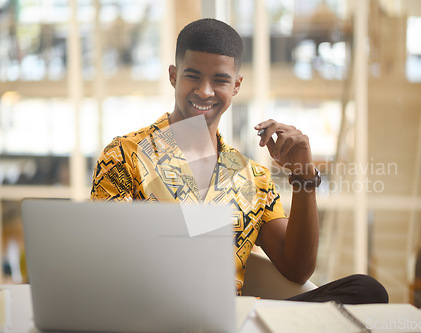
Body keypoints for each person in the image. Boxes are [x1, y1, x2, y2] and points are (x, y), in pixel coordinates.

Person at [90, 18, 388, 304]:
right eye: (192, 75)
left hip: (230, 318)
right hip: (151, 311)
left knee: (366, 290)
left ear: (236, 85)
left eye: (220, 80)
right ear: (173, 75)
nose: (205, 91)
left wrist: (303, 174)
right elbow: (106, 258)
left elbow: (297, 269)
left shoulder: (252, 177)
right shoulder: (124, 154)